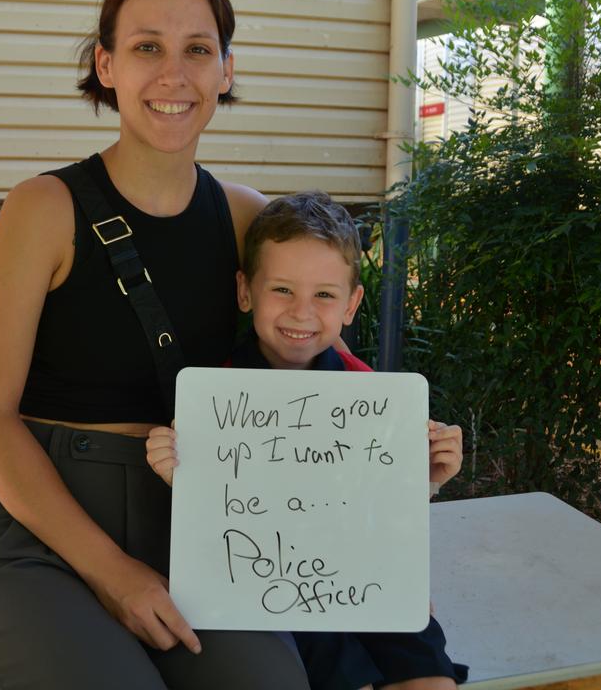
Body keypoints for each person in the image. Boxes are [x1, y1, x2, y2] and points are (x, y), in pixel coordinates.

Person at [0, 0, 313, 689]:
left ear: (226, 71)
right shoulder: (43, 209)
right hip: (35, 535)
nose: (174, 75)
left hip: (193, 528)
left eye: (197, 50)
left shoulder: (247, 218)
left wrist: (397, 474)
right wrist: (114, 572)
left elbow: (307, 381)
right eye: (147, 47)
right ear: (106, 65)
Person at [146, 191, 469, 690]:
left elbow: (379, 514)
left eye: (323, 295)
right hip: (283, 599)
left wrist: (424, 482)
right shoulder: (213, 401)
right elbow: (215, 528)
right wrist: (179, 476)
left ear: (351, 304)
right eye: (281, 290)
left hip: (368, 585)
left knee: (432, 682)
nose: (301, 313)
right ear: (245, 291)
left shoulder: (372, 398)